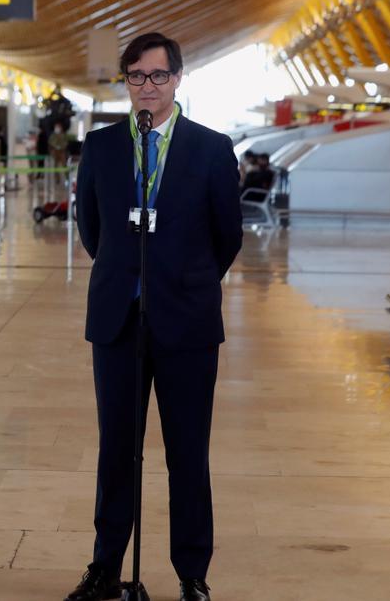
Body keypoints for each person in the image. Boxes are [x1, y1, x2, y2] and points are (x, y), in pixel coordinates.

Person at [70, 32, 242, 601]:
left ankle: (193, 574)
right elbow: (92, 229)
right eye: (137, 77)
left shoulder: (211, 149)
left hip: (187, 321)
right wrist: (130, 277)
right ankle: (105, 567)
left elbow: (227, 238)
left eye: (158, 76)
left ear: (178, 79)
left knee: (188, 451)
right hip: (119, 319)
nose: (147, 87)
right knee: (116, 447)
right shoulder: (100, 146)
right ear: (126, 81)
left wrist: (183, 281)